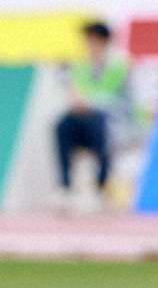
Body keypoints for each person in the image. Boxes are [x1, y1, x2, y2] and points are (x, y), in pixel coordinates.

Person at [54, 21, 131, 209]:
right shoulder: (81, 65)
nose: (88, 45)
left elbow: (111, 99)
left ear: (103, 42)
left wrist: (87, 102)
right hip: (85, 121)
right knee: (63, 124)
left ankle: (101, 186)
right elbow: (75, 93)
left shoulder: (119, 65)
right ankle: (65, 186)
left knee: (99, 124)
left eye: (92, 40)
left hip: (115, 121)